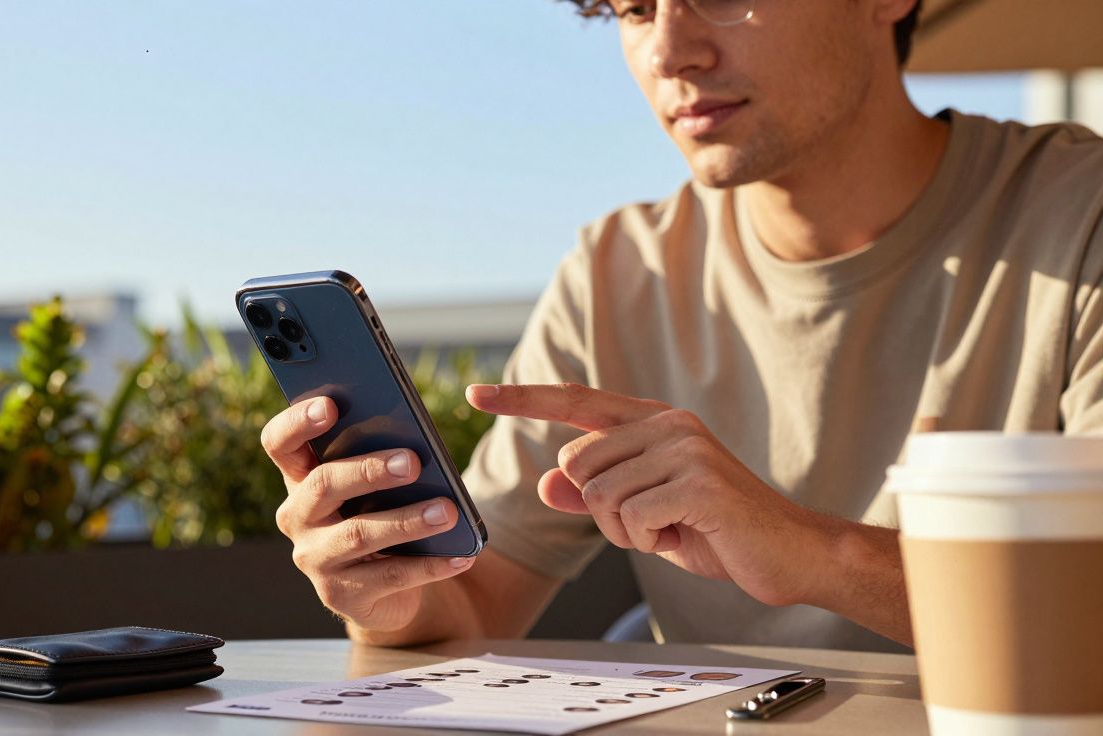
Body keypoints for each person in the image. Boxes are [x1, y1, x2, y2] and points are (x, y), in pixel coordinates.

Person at [260, 0, 1103, 652]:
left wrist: (806, 551)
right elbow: (469, 613)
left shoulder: (1079, 220)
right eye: (629, 8)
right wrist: (387, 591)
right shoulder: (617, 271)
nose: (669, 52)